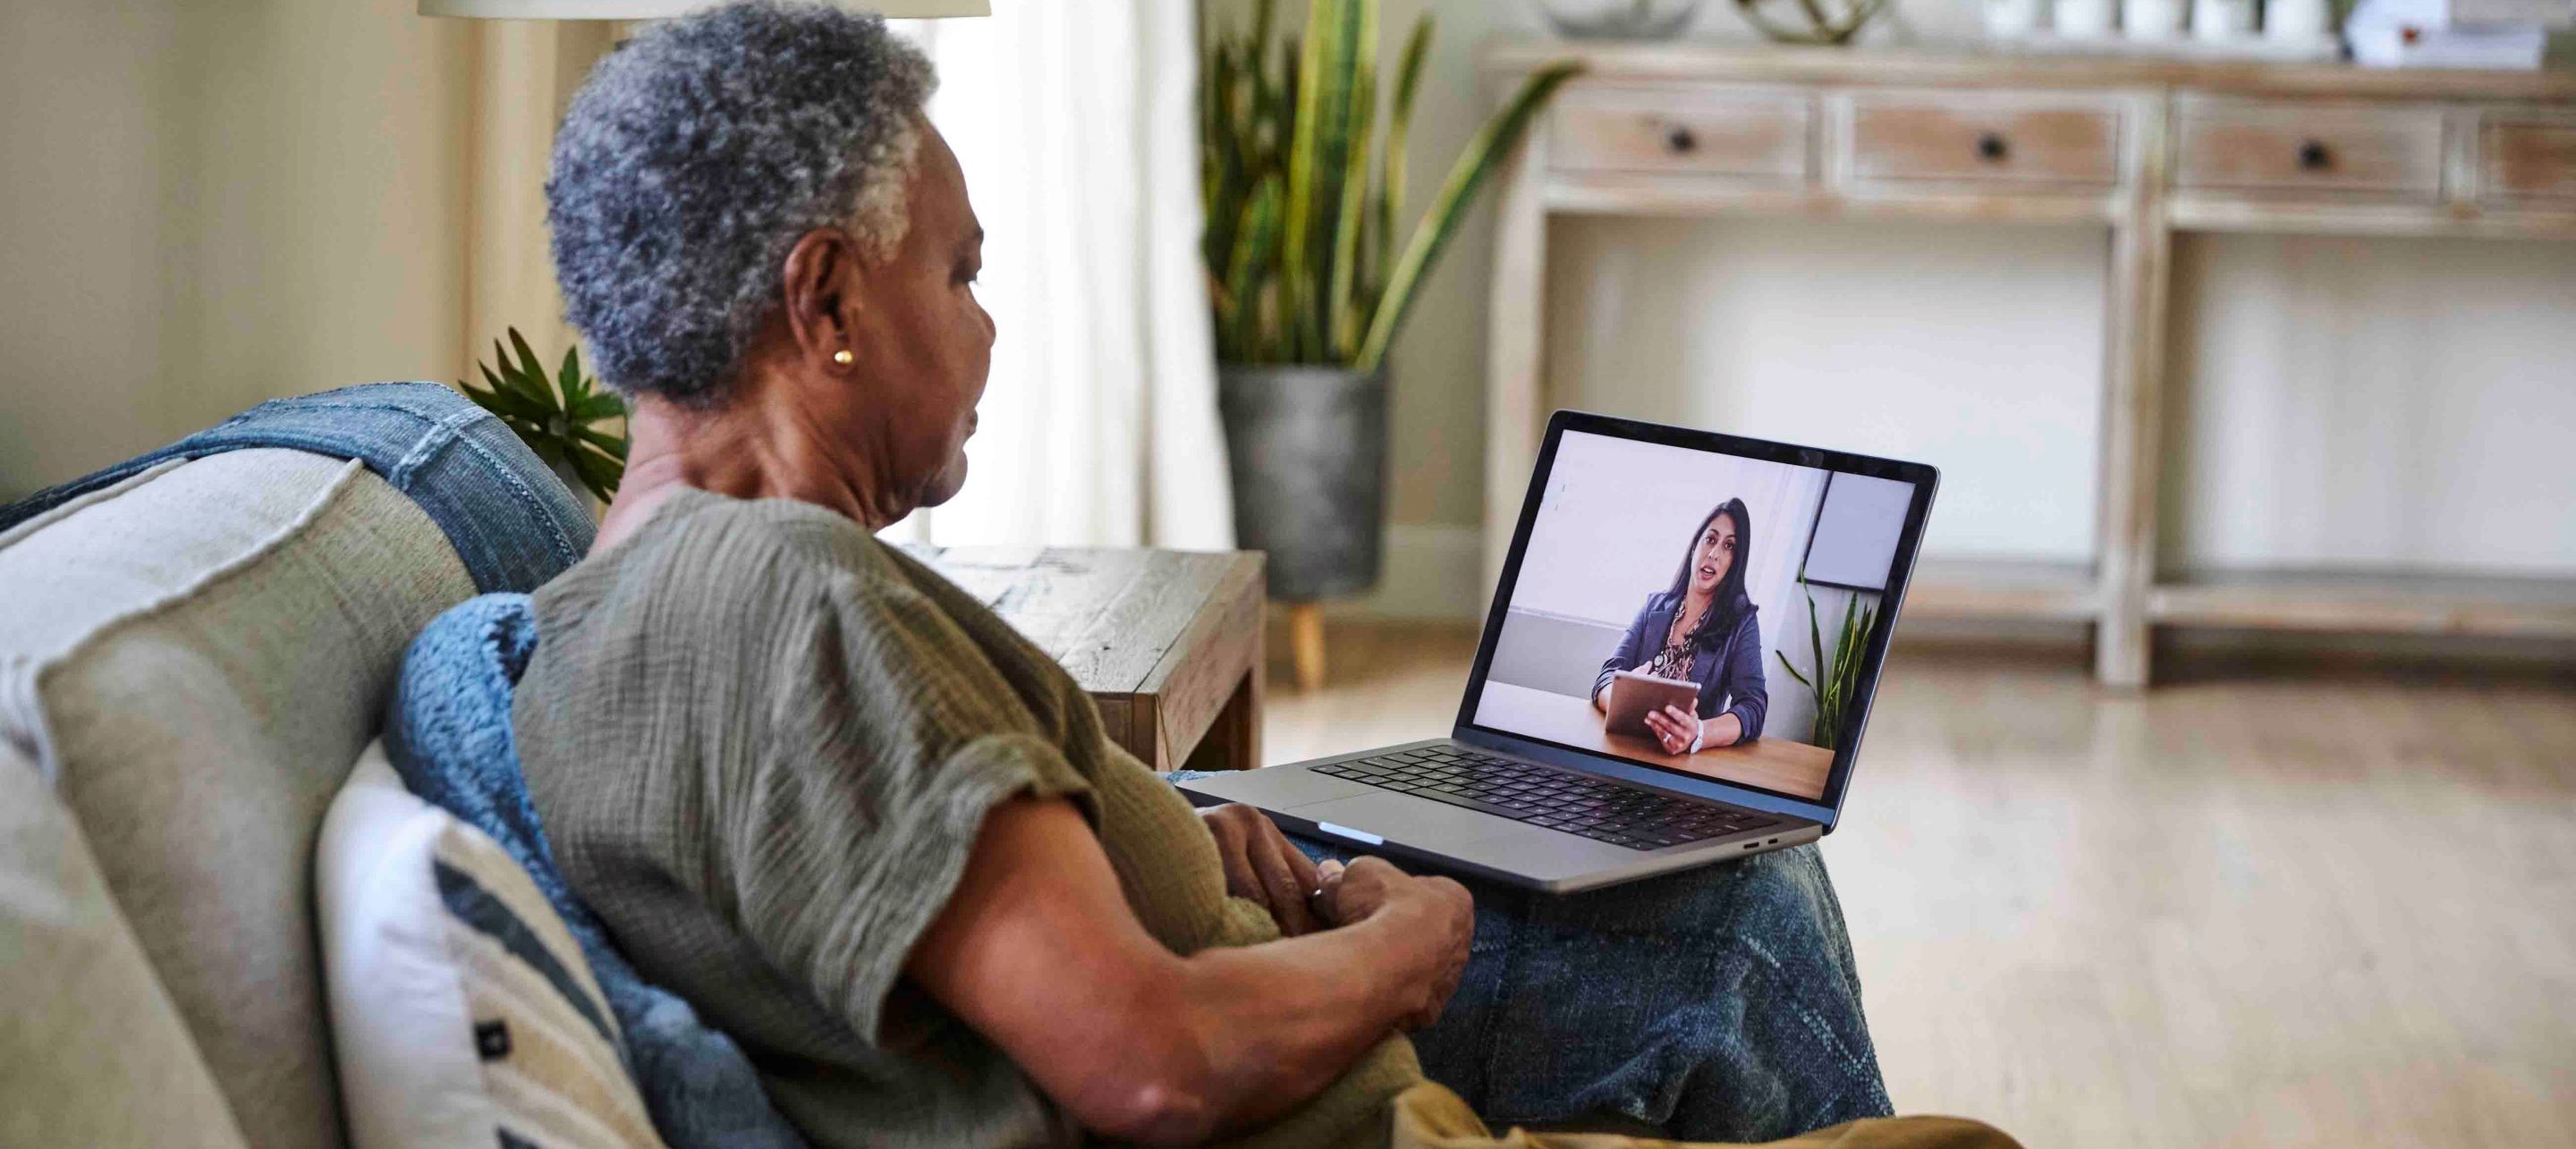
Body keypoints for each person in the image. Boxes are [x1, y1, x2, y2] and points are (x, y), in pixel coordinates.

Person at [513, 5, 2009, 1148]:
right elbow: (1152, 1062)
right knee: (1767, 947)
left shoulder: (624, 597)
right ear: (828, 302)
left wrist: (1166, 826)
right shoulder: (786, 601)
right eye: (958, 274)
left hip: (1292, 992)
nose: (986, 328)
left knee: (1730, 888)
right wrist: (1409, 947)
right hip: (1356, 1111)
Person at [1594, 500, 1771, 756]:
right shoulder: (1653, 606)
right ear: (1695, 546)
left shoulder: (1742, 622)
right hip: (1624, 749)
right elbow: (1607, 676)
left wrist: (1699, 733)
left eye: (1729, 546)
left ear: (1736, 562)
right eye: (1710, 539)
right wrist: (1625, 700)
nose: (1714, 554)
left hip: (1683, 762)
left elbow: (1753, 707)